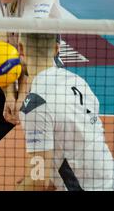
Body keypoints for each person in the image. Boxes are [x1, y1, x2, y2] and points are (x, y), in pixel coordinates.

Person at [16, 33, 114, 191]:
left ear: (20, 48)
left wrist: (34, 180)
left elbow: (39, 181)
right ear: (57, 49)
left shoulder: (35, 104)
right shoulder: (78, 81)